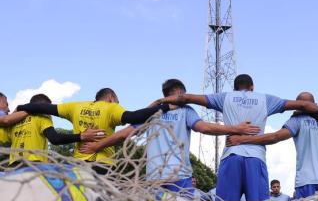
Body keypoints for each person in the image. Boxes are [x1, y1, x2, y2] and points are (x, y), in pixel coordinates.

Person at [160, 76, 318, 201]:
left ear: (235, 88)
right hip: (256, 157)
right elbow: (304, 105)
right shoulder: (266, 99)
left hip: (231, 155)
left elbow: (186, 98)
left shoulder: (225, 97)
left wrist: (161, 102)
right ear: (252, 87)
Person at [79, 79, 260, 191]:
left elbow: (124, 134)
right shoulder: (186, 110)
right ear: (181, 94)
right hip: (180, 178)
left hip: (154, 179)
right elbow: (204, 128)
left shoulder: (151, 112)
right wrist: (236, 128)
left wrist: (96, 146)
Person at [17, 88, 172, 174]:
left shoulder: (75, 106)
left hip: (79, 166)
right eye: (117, 101)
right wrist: (164, 107)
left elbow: (43, 107)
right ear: (111, 97)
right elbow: (133, 116)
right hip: (104, 165)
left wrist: (22, 107)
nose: (118, 104)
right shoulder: (111, 108)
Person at [227, 92, 318, 199]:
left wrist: (242, 139)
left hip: (306, 181)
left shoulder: (297, 121)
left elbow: (274, 137)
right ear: (315, 104)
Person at [1, 94, 102, 166]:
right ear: (42, 107)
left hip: (14, 167)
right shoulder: (43, 117)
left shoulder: (13, 122)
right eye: (47, 108)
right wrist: (81, 136)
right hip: (34, 166)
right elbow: (55, 139)